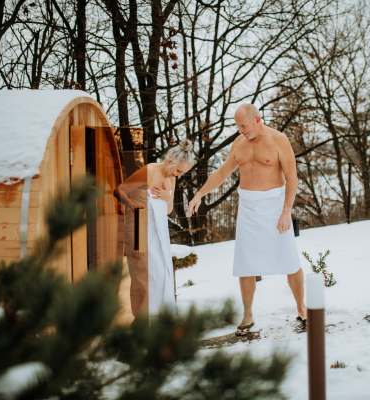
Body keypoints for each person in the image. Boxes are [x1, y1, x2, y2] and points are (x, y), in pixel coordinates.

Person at [187, 104, 306, 336]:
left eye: (243, 125)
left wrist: (286, 212)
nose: (240, 130)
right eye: (238, 126)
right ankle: (248, 314)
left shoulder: (278, 140)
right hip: (248, 208)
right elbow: (222, 172)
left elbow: (292, 178)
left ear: (257, 120)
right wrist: (199, 195)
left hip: (274, 206)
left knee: (289, 258)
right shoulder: (239, 143)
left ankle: (302, 308)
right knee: (245, 263)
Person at [114, 139, 194, 317]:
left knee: (161, 272)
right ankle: (142, 322)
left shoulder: (171, 178)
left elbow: (168, 210)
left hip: (158, 230)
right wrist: (132, 205)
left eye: (183, 173)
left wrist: (167, 197)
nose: (179, 175)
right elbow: (119, 191)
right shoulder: (149, 171)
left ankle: (160, 319)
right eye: (179, 171)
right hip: (138, 226)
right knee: (142, 274)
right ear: (169, 161)